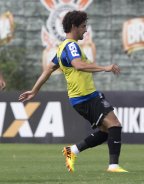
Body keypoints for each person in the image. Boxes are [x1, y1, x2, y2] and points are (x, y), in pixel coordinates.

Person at [19, 10, 127, 173]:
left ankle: (72, 151)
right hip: (86, 97)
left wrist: (34, 91)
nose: (85, 30)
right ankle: (113, 166)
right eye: (83, 26)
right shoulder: (71, 46)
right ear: (74, 26)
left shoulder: (62, 48)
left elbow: (48, 70)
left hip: (82, 98)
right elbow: (78, 65)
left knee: (106, 131)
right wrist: (105, 67)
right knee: (115, 125)